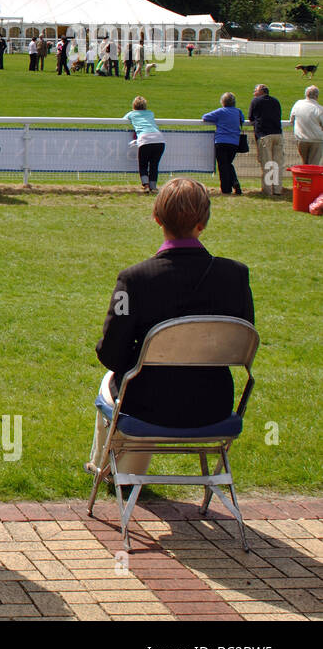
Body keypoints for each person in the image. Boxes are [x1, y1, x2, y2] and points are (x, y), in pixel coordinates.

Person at [87, 178, 254, 479]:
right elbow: (240, 343)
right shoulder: (236, 277)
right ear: (203, 223)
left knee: (115, 381)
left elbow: (111, 353)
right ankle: (121, 475)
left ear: (156, 218)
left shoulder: (133, 280)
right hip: (213, 404)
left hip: (147, 405)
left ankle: (110, 471)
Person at [202, 92, 245, 195]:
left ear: (223, 102)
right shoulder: (238, 112)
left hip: (221, 141)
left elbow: (205, 117)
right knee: (228, 164)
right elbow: (242, 120)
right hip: (234, 142)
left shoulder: (221, 111)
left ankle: (226, 189)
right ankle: (235, 184)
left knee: (223, 166)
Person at [248, 84, 284, 196]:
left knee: (267, 164)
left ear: (261, 92)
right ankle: (277, 189)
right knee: (277, 164)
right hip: (278, 135)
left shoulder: (256, 101)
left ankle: (268, 190)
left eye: (255, 90)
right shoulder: (276, 101)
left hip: (264, 136)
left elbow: (250, 117)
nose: (254, 93)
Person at [124, 96, 166, 193]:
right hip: (159, 140)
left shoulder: (131, 114)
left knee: (143, 164)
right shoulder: (150, 113)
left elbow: (123, 119)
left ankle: (146, 185)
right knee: (154, 165)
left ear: (134, 106)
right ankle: (153, 187)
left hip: (145, 140)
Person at [289, 85, 323, 165]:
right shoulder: (319, 109)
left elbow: (292, 119)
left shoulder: (298, 104)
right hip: (316, 140)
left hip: (301, 139)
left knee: (305, 164)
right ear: (317, 96)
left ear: (306, 94)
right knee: (313, 165)